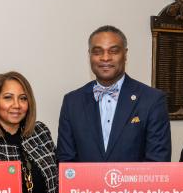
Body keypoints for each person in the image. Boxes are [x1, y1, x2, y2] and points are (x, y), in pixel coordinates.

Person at [57, 25, 171, 162]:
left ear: (125, 54)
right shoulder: (72, 102)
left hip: (135, 183)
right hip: (84, 184)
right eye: (97, 52)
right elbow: (66, 161)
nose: (105, 58)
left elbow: (157, 162)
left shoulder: (152, 100)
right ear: (89, 55)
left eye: (113, 51)